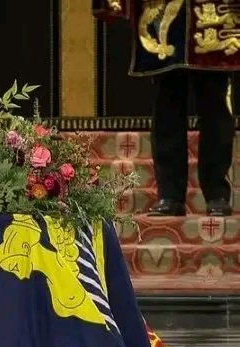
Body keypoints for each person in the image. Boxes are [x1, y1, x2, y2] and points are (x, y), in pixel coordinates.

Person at [93, 0, 239, 216]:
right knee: (167, 107)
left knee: (216, 107)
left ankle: (217, 192)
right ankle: (170, 194)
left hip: (215, 14)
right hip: (165, 12)